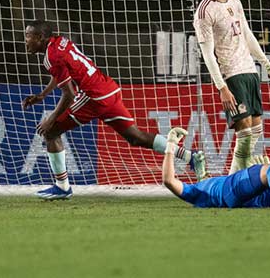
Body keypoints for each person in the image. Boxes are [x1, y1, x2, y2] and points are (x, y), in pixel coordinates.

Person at [23, 20, 206, 199]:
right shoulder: (61, 42)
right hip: (108, 89)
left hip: (93, 97)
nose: (25, 40)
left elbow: (69, 94)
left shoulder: (51, 56)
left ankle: (62, 187)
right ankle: (191, 157)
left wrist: (51, 118)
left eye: (28, 36)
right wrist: (42, 95)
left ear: (40, 37)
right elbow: (61, 74)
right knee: (136, 137)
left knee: (50, 131)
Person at [193, 0, 270, 174]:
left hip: (250, 71)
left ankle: (234, 179)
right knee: (244, 133)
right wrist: (221, 87)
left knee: (255, 130)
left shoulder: (235, 1)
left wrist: (268, 66)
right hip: (231, 75)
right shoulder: (204, 11)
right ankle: (235, 182)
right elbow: (207, 54)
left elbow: (248, 36)